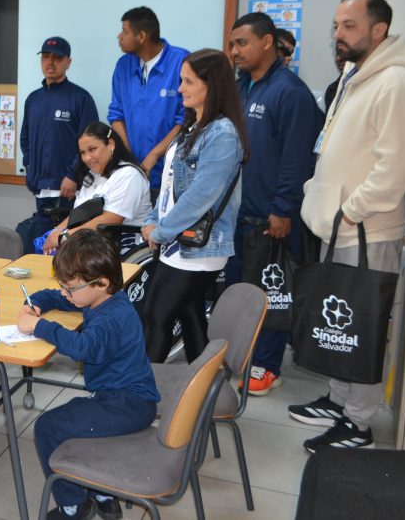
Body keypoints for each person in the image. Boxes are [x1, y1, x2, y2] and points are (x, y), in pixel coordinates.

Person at [291, 0, 405, 453]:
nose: (337, 35)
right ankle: (338, 399)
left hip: (368, 229)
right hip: (339, 227)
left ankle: (358, 422)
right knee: (339, 324)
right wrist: (319, 195)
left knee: (360, 325)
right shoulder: (355, 75)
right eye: (336, 25)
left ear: (378, 30)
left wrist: (350, 209)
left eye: (348, 26)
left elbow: (397, 167)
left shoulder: (395, 83)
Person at [19, 229, 159, 520]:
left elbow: (84, 348)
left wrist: (40, 327)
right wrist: (36, 303)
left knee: (47, 427)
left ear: (101, 282)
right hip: (125, 399)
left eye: (70, 288)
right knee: (77, 418)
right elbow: (59, 298)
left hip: (126, 405)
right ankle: (104, 494)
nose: (65, 293)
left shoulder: (111, 318)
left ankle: (74, 506)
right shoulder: (102, 299)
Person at [224, 13, 323, 396]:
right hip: (240, 215)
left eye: (242, 43)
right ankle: (242, 357)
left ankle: (267, 366)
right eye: (232, 44)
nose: (235, 51)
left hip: (271, 218)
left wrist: (282, 208)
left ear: (267, 42)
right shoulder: (242, 87)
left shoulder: (290, 92)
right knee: (240, 293)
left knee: (270, 294)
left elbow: (297, 159)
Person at [141, 49, 247, 363]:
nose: (180, 88)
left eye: (188, 81)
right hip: (177, 243)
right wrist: (152, 221)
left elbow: (201, 196)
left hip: (197, 249)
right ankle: (206, 386)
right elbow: (169, 188)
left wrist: (160, 232)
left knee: (155, 317)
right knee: (191, 318)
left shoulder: (222, 133)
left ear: (211, 85)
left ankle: (139, 389)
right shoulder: (192, 127)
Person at [18, 36, 99, 254]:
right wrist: (30, 167)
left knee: (69, 250)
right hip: (40, 189)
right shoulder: (33, 99)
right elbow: (25, 138)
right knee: (43, 249)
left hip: (69, 191)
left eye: (57, 58)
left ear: (68, 62)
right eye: (45, 57)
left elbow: (91, 143)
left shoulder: (80, 98)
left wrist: (73, 175)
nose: (50, 62)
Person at [108, 7, 190, 193]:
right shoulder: (123, 65)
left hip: (173, 173)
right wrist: (129, 157)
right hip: (135, 171)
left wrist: (154, 155)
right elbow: (116, 114)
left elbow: (187, 119)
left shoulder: (181, 61)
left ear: (141, 36)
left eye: (125, 31)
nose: (119, 36)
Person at [41, 122, 151, 256]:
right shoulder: (93, 174)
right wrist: (57, 231)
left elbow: (111, 219)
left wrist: (65, 237)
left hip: (120, 247)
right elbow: (78, 214)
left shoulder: (129, 175)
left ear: (111, 144)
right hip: (89, 244)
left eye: (92, 149)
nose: (87, 158)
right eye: (83, 152)